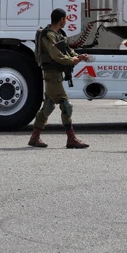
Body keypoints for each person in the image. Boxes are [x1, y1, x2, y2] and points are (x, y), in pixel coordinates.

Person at [27, 8, 91, 150]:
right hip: (51, 74)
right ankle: (71, 138)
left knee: (49, 106)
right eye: (66, 18)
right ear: (62, 19)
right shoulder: (48, 35)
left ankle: (35, 137)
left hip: (56, 74)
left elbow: (67, 51)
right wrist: (72, 60)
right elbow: (56, 55)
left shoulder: (59, 34)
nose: (66, 21)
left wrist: (79, 56)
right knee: (66, 104)